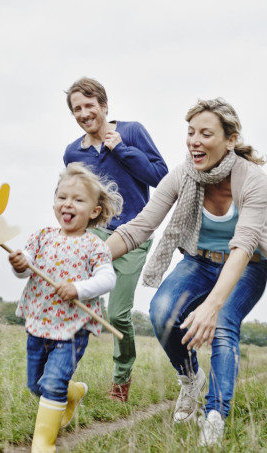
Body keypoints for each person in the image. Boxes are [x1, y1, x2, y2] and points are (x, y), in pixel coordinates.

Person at [105, 98, 267, 446]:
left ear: (230, 140)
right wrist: (87, 257)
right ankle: (190, 378)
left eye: (206, 133)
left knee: (223, 325)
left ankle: (215, 415)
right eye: (190, 132)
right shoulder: (182, 175)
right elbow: (140, 227)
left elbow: (244, 244)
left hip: (246, 266)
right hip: (199, 261)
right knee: (162, 313)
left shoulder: (253, 180)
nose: (194, 140)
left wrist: (212, 305)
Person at [63, 77, 168, 402]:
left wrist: (120, 149)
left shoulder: (133, 131)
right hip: (93, 236)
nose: (84, 113)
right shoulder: (72, 153)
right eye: (77, 109)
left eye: (89, 105)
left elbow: (161, 177)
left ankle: (121, 380)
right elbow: (73, 199)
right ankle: (59, 376)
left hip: (134, 234)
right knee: (71, 301)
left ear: (104, 106)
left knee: (118, 314)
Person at [9, 162, 123, 452]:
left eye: (78, 199)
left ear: (94, 211)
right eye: (62, 197)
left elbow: (107, 278)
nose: (67, 204)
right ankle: (72, 392)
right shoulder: (41, 237)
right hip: (39, 322)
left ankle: (43, 444)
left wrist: (78, 288)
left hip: (73, 329)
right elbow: (24, 270)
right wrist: (20, 264)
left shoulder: (94, 246)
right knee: (36, 385)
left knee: (52, 383)